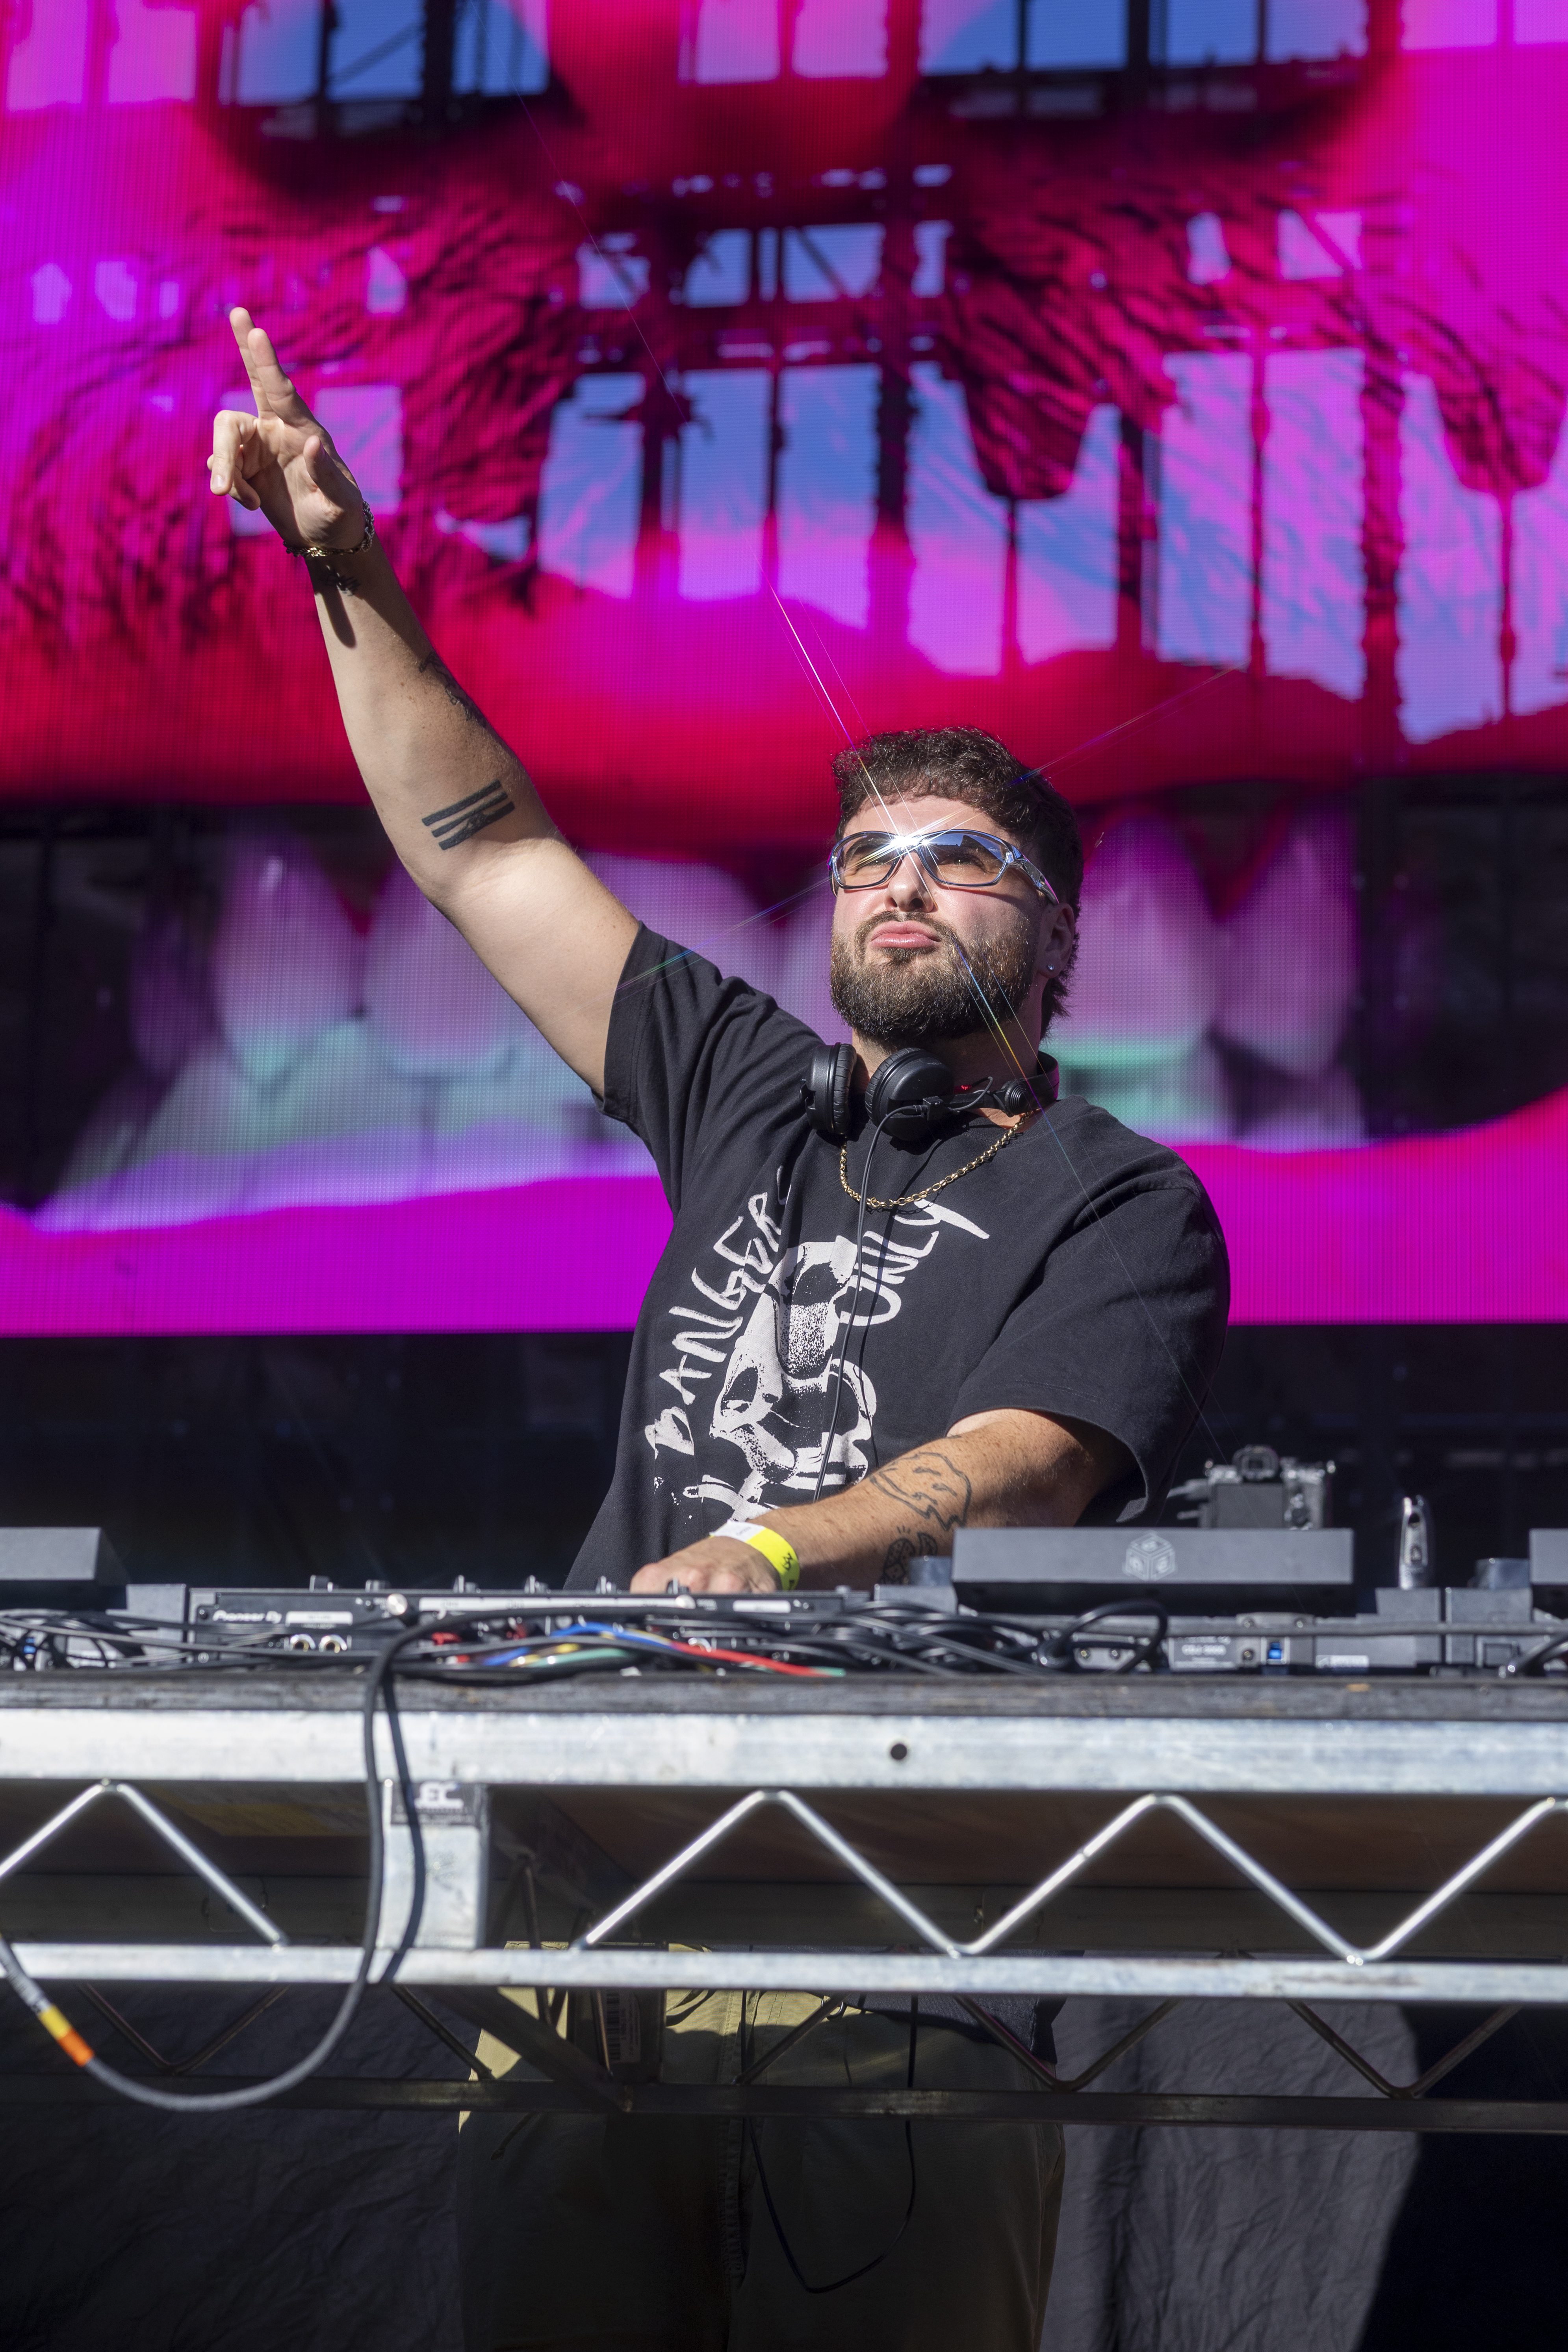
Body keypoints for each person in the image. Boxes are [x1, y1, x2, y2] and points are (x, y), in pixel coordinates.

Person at [210, 310, 1229, 2352]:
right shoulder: (750, 1093)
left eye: (962, 860)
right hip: (596, 1905)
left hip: (898, 1921)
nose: (901, 886)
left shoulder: (1117, 1194)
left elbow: (1032, 1454)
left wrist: (759, 1556)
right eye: (867, 859)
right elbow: (485, 845)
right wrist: (347, 564)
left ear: (1059, 929)